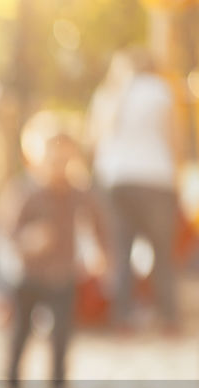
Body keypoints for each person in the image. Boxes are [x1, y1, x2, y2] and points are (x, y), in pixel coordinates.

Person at [0, 122, 109, 388]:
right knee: (21, 333)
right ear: (35, 158)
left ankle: (57, 387)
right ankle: (12, 385)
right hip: (27, 275)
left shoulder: (78, 192)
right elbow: (5, 231)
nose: (60, 167)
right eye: (54, 160)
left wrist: (102, 252)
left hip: (62, 275)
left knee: (62, 334)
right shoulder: (24, 191)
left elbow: (99, 222)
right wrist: (27, 240)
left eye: (66, 160)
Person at [87, 47, 183, 332]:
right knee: (164, 252)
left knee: (121, 249)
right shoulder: (160, 90)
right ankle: (168, 318)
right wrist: (177, 177)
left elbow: (95, 139)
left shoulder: (107, 93)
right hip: (157, 177)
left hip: (116, 178)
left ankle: (122, 317)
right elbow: (173, 137)